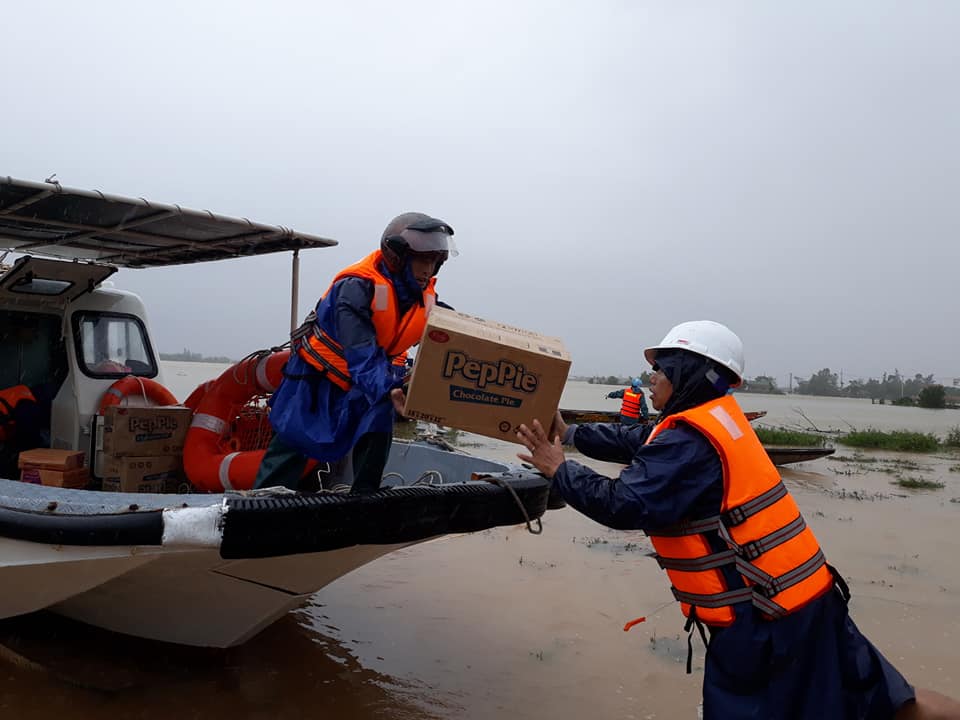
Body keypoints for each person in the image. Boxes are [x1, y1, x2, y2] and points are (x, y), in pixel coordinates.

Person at [516, 320, 960, 719]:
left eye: (661, 368)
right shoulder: (716, 419)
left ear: (688, 374)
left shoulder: (688, 441)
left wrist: (559, 468)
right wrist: (570, 434)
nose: (652, 378)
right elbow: (634, 437)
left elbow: (623, 505)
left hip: (768, 624)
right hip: (810, 599)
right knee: (887, 703)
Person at [254, 212, 456, 493]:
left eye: (434, 261)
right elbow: (361, 353)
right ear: (397, 256)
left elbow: (451, 335)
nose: (427, 268)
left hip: (370, 382)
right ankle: (261, 505)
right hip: (317, 379)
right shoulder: (355, 287)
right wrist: (389, 390)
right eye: (422, 259)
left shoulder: (425, 296)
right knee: (292, 444)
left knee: (377, 429)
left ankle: (365, 500)